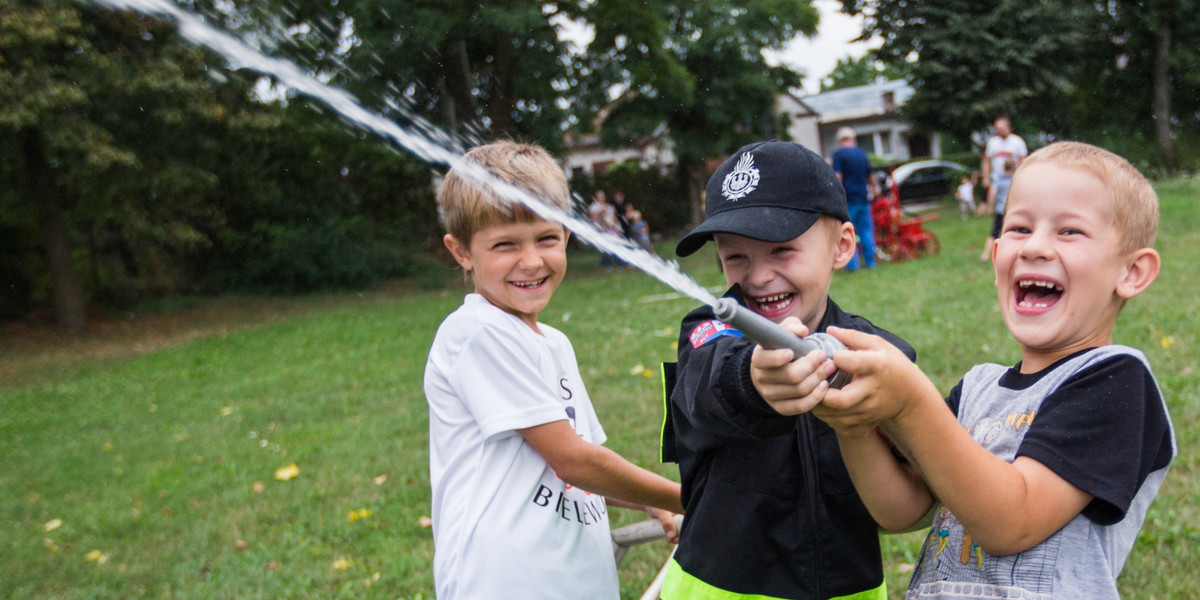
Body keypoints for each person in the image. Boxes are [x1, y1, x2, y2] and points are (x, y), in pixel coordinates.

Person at [814, 141, 1175, 599]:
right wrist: (855, 423)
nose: (1036, 247)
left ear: (1132, 271)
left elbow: (1011, 522)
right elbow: (902, 510)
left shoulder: (1116, 382)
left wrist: (909, 402)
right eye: (1019, 227)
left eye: (1069, 232)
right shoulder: (978, 389)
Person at [424, 140, 684, 599]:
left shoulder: (554, 344)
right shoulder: (477, 331)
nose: (531, 261)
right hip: (506, 583)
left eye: (546, 237)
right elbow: (576, 461)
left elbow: (575, 467)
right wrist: (692, 497)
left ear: (567, 235)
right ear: (462, 252)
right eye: (505, 245)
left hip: (575, 579)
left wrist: (652, 504)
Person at [660, 140, 917, 599]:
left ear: (842, 247)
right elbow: (708, 381)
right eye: (735, 255)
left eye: (781, 250)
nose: (757, 277)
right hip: (718, 589)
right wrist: (753, 381)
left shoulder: (877, 350)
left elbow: (914, 478)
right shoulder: (710, 330)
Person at [832, 126, 879, 271]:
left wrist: (834, 194)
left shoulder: (839, 154)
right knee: (865, 230)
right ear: (853, 139)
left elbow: (838, 176)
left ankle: (852, 265)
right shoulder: (861, 154)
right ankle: (870, 262)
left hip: (848, 199)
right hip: (863, 199)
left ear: (839, 140)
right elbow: (871, 175)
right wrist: (875, 189)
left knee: (847, 232)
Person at [980, 116, 1027, 202]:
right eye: (998, 128)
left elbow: (1023, 160)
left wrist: (1022, 176)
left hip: (1013, 178)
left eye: (1002, 128)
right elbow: (986, 161)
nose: (1000, 130)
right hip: (997, 178)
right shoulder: (992, 142)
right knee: (994, 202)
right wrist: (985, 178)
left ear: (1008, 127)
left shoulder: (1017, 141)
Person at [978, 158, 1016, 262]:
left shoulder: (998, 180)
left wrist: (990, 208)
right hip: (1012, 211)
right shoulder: (1016, 180)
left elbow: (992, 194)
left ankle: (985, 255)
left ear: (1004, 168)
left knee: (994, 233)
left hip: (1000, 210)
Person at [588, 188, 620, 270]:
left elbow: (614, 218)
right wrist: (601, 213)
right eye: (599, 196)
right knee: (606, 249)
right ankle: (605, 265)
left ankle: (611, 265)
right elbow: (593, 220)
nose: (601, 198)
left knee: (613, 247)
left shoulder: (609, 206)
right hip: (600, 231)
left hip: (611, 230)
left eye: (602, 196)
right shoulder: (593, 207)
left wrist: (617, 227)